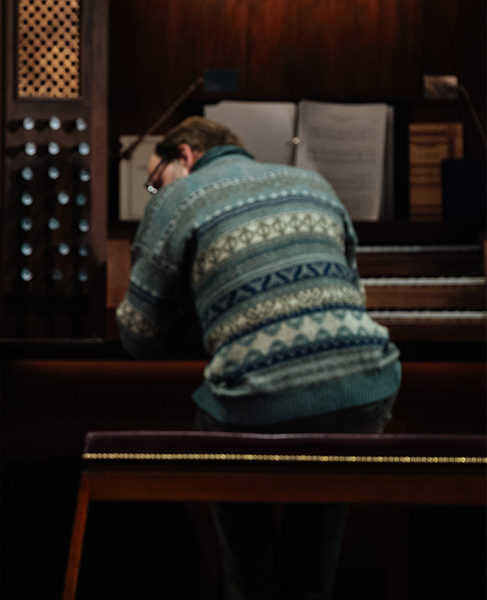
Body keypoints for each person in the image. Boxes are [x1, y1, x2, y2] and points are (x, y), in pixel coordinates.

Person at [117, 116, 401, 600]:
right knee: (315, 537)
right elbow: (351, 289)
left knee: (245, 550)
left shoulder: (178, 197)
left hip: (261, 398)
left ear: (184, 156)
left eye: (153, 178)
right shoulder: (312, 183)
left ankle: (248, 586)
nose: (153, 190)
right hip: (369, 382)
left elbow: (138, 333)